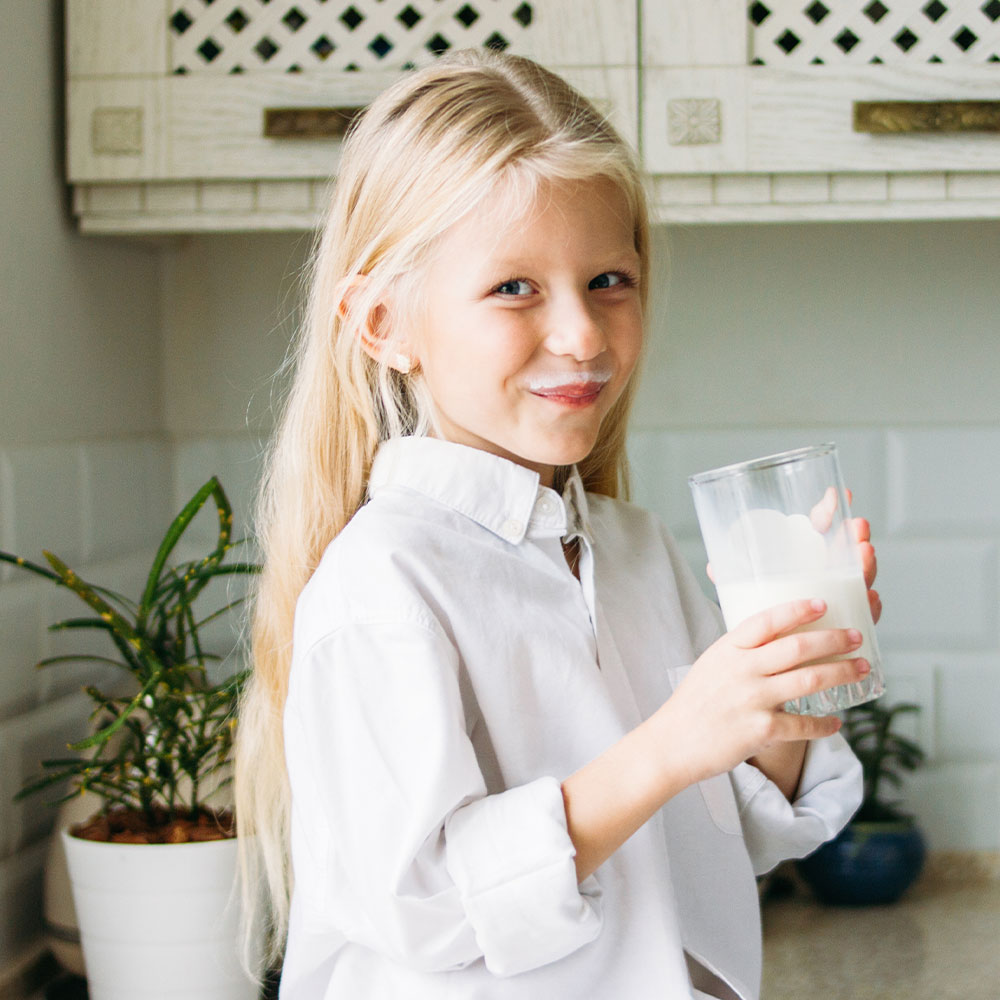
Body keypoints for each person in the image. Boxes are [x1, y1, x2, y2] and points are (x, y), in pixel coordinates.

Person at [235, 48, 878, 1000]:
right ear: (382, 324)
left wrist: (781, 690)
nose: (582, 333)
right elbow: (427, 908)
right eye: (513, 287)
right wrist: (674, 738)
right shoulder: (382, 585)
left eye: (609, 279)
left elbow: (726, 842)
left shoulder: (634, 550)